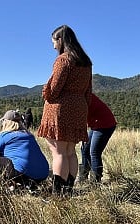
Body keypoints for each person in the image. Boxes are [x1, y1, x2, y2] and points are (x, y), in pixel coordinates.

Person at [37, 24, 92, 194]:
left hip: (61, 109)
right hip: (79, 108)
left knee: (58, 152)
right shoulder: (85, 62)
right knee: (70, 151)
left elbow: (53, 90)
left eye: (54, 41)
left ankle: (58, 194)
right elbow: (88, 92)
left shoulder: (63, 60)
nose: (53, 45)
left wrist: (45, 90)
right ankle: (68, 190)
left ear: (60, 40)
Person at [0, 110, 49, 190]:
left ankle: (8, 184)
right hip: (43, 174)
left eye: (3, 121)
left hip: (22, 174)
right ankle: (26, 184)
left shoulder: (4, 135)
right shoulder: (29, 135)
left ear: (7, 122)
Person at [79, 93, 117, 183]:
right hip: (96, 125)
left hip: (105, 124)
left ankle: (95, 182)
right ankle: (83, 178)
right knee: (85, 150)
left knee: (94, 152)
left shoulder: (82, 97)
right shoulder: (80, 95)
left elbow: (81, 118)